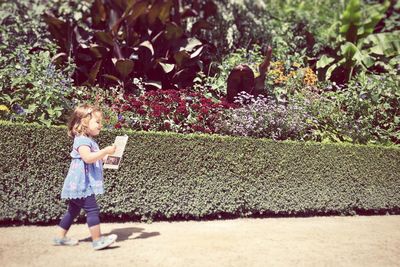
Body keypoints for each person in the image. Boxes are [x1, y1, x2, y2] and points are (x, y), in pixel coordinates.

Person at [53, 103, 118, 250]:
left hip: (80, 183)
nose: (100, 125)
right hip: (82, 183)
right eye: (97, 122)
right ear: (84, 122)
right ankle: (97, 240)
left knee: (73, 211)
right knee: (92, 210)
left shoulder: (89, 140)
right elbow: (88, 158)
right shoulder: (82, 140)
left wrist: (110, 157)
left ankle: (59, 237)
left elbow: (97, 158)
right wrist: (104, 151)